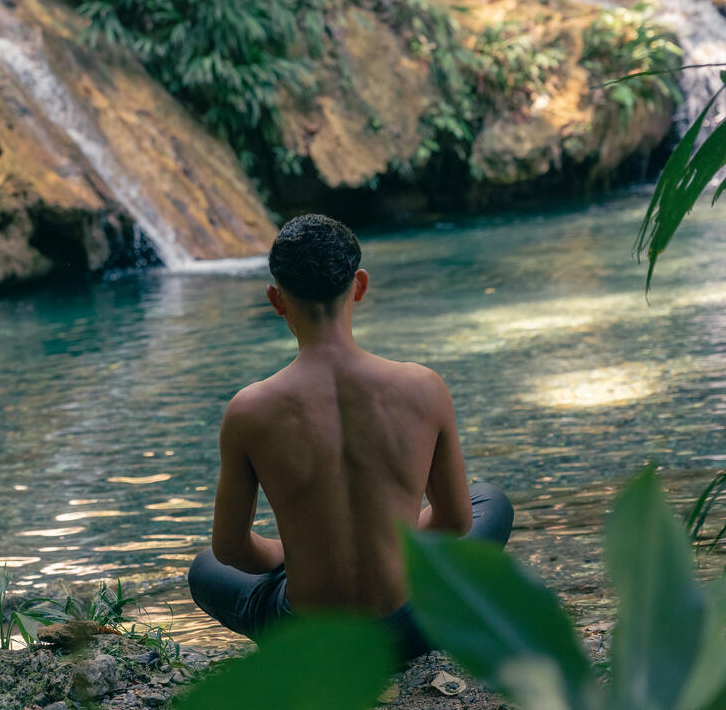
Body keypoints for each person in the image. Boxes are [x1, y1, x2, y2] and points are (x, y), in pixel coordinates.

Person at [187, 214, 513, 662]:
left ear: (276, 299)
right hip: (410, 627)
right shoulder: (423, 387)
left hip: (309, 635)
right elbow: (455, 522)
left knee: (205, 566)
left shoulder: (249, 409)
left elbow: (231, 549)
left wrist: (295, 555)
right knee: (490, 502)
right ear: (359, 285)